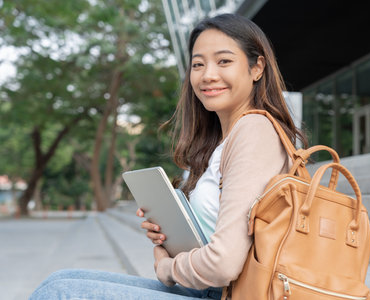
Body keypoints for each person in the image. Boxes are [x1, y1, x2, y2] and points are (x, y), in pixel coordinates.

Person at [29, 13, 308, 299]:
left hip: (232, 293)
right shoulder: (223, 141)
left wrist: (167, 266)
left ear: (257, 68)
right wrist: (173, 235)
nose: (208, 74)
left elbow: (224, 263)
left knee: (61, 292)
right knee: (61, 280)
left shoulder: (255, 129)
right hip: (210, 289)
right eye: (198, 64)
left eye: (224, 61)